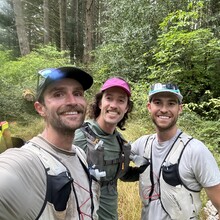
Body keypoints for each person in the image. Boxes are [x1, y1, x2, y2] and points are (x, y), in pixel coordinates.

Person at [0, 66, 95, 220]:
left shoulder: (80, 154)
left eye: (77, 93)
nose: (72, 101)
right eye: (58, 94)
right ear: (40, 108)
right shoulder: (27, 163)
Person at [130, 82, 220, 219]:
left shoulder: (195, 150)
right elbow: (116, 151)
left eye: (171, 103)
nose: (164, 109)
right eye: (158, 102)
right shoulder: (142, 144)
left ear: (180, 108)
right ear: (149, 107)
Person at [73, 77, 134, 220]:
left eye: (121, 100)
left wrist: (145, 170)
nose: (114, 105)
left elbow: (118, 174)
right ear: (100, 103)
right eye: (109, 98)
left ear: (126, 108)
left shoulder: (120, 141)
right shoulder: (81, 135)